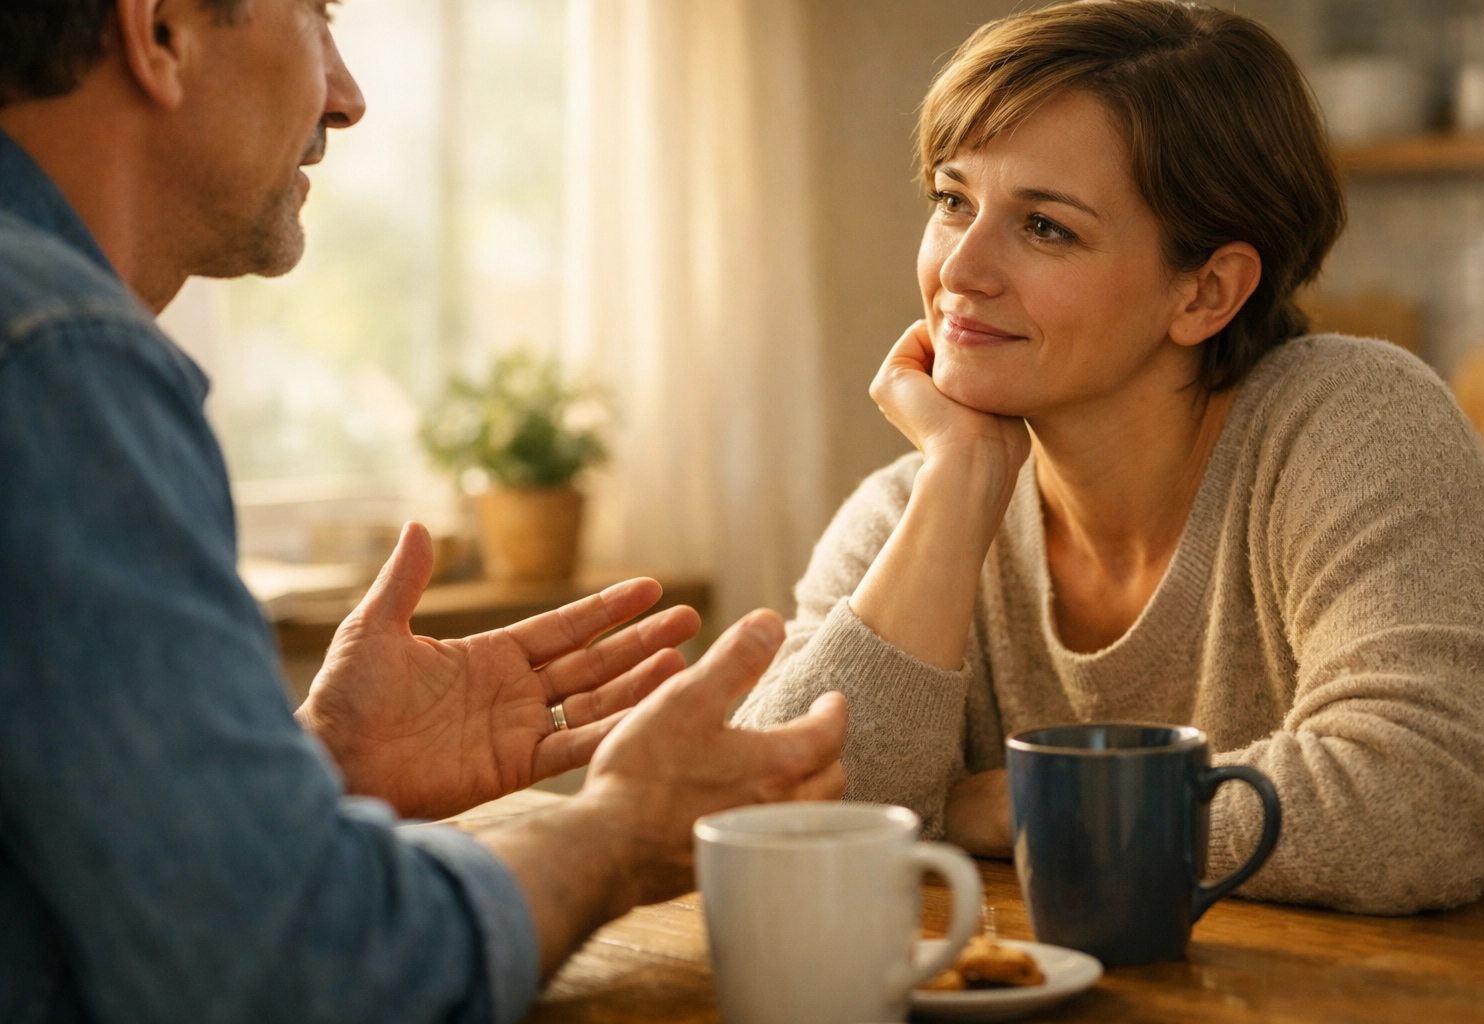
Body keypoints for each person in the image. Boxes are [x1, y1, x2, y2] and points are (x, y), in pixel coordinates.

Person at [0, 2, 848, 1022]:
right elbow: (303, 969)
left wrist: (317, 767)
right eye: (315, 15)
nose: (348, 98)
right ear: (163, 32)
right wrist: (623, 828)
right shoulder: (60, 359)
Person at [736, 0, 1484, 915]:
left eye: (1046, 228)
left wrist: (1012, 804)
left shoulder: (1355, 420)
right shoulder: (909, 511)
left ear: (1206, 292)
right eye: (954, 202)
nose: (960, 269)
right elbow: (777, 817)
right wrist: (956, 485)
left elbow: (1413, 808)